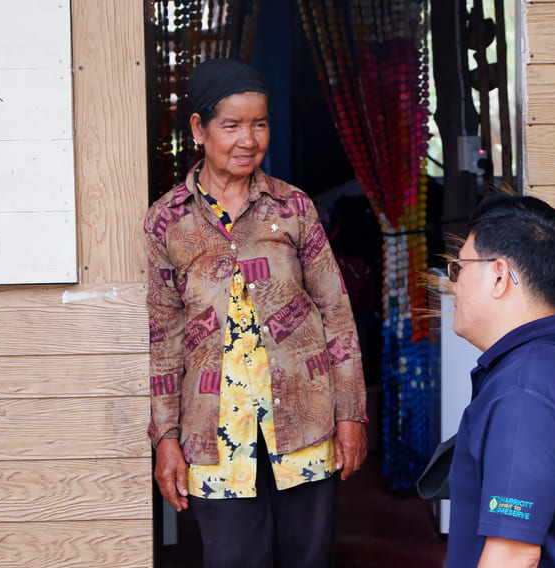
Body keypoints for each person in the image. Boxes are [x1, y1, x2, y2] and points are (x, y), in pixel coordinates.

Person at [143, 58, 367, 568]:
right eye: (232, 125)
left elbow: (336, 313)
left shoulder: (293, 208)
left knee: (309, 559)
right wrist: (166, 439)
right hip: (216, 433)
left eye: (259, 123)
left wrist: (351, 413)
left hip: (306, 423)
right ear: (199, 129)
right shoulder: (167, 222)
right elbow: (163, 339)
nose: (249, 139)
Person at [444, 194, 555, 567]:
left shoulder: (524, 394)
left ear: (498, 276)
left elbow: (512, 554)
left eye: (458, 269)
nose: (453, 286)